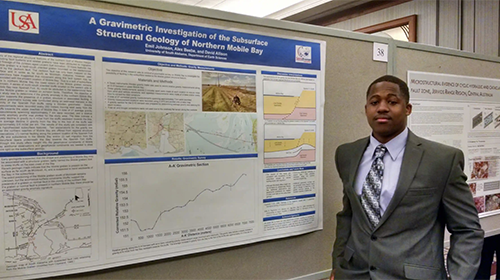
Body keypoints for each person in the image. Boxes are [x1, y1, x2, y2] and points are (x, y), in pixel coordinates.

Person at [331, 75, 484, 280]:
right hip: (354, 273)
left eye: (392, 101)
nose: (382, 108)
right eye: (374, 102)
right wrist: (338, 263)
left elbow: (467, 229)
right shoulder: (347, 154)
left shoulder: (442, 160)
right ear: (366, 108)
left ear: (408, 108)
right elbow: (348, 215)